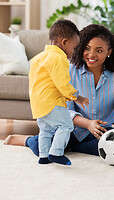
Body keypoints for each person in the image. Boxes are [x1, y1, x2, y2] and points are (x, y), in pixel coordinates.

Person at [4, 23, 114, 159]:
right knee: (44, 149)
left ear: (109, 52)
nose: (91, 55)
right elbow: (66, 109)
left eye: (99, 50)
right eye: (87, 48)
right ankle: (26, 140)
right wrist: (87, 123)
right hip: (73, 129)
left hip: (101, 130)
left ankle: (71, 147)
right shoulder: (69, 70)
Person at [28, 20, 89, 165]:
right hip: (52, 102)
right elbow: (62, 83)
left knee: (45, 130)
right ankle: (56, 153)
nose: (74, 52)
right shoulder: (58, 58)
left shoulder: (38, 58)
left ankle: (43, 156)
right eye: (74, 48)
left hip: (37, 104)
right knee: (67, 126)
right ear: (64, 42)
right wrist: (76, 97)